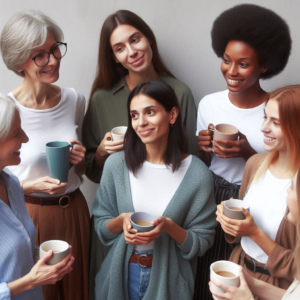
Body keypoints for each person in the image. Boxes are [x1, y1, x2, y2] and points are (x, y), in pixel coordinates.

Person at [82, 10, 198, 298]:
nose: (132, 52)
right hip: (117, 240)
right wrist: (102, 155)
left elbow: (191, 164)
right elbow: (91, 171)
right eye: (120, 48)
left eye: (135, 39)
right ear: (113, 57)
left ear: (149, 39)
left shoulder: (180, 93)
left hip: (166, 245)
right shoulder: (101, 98)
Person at [195, 4, 292, 299]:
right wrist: (203, 149)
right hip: (211, 197)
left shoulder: (275, 110)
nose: (231, 71)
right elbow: (204, 166)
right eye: (226, 60)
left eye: (244, 63)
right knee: (206, 278)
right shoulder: (209, 104)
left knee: (241, 276)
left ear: (264, 65)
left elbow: (280, 165)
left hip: (252, 204)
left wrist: (247, 151)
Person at [92, 80, 216, 300]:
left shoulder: (197, 174)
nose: (141, 122)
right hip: (120, 276)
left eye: (150, 112)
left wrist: (168, 226)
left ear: (172, 115)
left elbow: (202, 241)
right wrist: (121, 220)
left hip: (168, 284)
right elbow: (101, 226)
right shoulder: (116, 165)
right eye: (134, 115)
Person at [0, 11, 90, 300]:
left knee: (77, 290)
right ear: (18, 62)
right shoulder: (6, 112)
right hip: (29, 215)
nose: (52, 60)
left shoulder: (75, 100)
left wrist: (82, 159)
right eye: (39, 55)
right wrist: (29, 187)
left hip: (74, 209)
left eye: (54, 49)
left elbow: (84, 172)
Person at [216, 85, 300, 299]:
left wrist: (254, 232)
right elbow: (237, 235)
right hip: (238, 270)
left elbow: (297, 270)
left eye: (276, 123)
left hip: (278, 287)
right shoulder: (255, 164)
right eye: (265, 117)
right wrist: (230, 223)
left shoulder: (296, 189)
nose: (263, 128)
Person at [0, 94, 74, 300]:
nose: (26, 138)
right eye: (17, 132)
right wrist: (32, 280)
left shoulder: (12, 183)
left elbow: (14, 256)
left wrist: (46, 258)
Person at [210, 166, 300, 300]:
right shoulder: (255, 165)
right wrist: (250, 283)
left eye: (292, 186)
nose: (287, 190)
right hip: (242, 266)